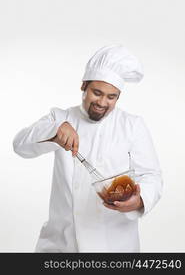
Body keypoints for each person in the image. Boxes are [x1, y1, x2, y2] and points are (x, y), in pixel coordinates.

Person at [13, 44, 162, 253]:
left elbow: (152, 175)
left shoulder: (132, 125)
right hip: (61, 245)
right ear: (83, 86)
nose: (102, 102)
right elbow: (20, 145)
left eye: (111, 97)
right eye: (97, 92)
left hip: (115, 247)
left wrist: (139, 200)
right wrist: (54, 131)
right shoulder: (60, 118)